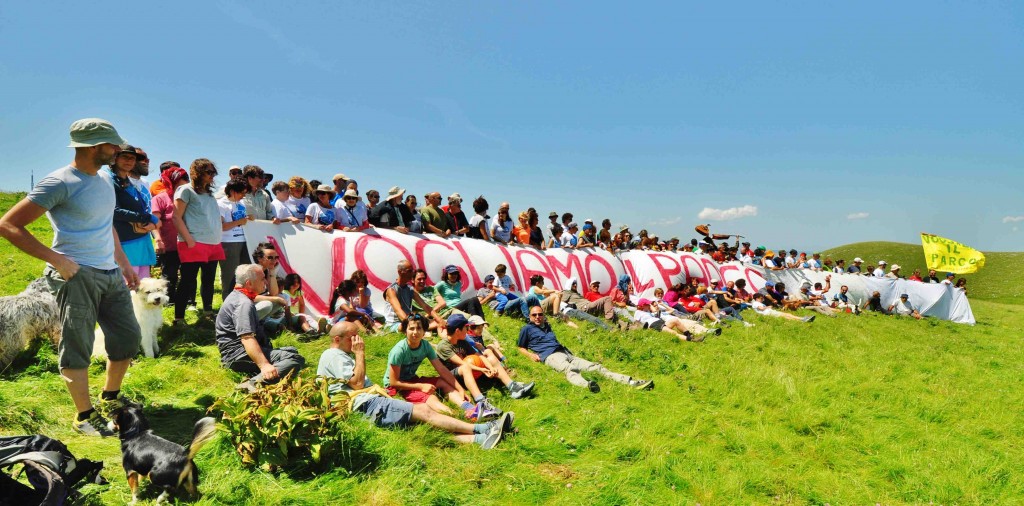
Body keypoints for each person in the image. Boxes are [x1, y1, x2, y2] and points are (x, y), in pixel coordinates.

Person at [0, 118, 142, 436]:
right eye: (112, 144)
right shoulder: (59, 182)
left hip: (109, 273)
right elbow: (8, 224)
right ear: (94, 146)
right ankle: (84, 417)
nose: (118, 150)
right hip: (76, 275)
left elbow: (107, 228)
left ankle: (110, 397)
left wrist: (125, 264)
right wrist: (57, 260)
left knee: (128, 338)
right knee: (78, 344)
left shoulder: (105, 181)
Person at [317, 321, 511, 449]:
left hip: (369, 402)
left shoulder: (341, 355)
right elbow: (358, 383)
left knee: (418, 426)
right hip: (364, 404)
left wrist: (460, 388)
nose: (359, 340)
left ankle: (479, 440)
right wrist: (360, 354)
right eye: (354, 336)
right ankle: (485, 428)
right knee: (423, 411)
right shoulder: (332, 355)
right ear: (337, 339)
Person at [383, 315, 496, 420]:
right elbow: (393, 382)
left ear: (424, 332)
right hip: (396, 386)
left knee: (442, 381)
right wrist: (421, 386)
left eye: (419, 328)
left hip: (412, 379)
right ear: (405, 331)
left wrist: (460, 389)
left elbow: (441, 369)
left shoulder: (425, 346)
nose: (415, 332)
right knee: (429, 397)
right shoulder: (399, 351)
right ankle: (459, 416)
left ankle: (470, 408)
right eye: (411, 328)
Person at [517, 308, 653, 393]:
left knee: (596, 367)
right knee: (569, 370)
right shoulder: (526, 329)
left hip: (566, 353)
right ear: (530, 316)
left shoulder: (547, 326)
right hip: (550, 356)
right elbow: (520, 347)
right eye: (534, 315)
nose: (537, 317)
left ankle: (631, 381)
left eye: (540, 314)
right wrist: (530, 355)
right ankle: (587, 385)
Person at [216, 265, 306, 393]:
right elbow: (247, 338)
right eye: (262, 279)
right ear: (249, 283)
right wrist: (264, 365)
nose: (265, 282)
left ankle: (259, 374)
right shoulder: (243, 304)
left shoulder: (239, 296)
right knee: (295, 359)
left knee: (292, 350)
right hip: (237, 356)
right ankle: (252, 383)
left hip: (237, 353)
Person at [172, 158, 226, 324]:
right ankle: (179, 318)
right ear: (197, 172)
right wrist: (189, 240)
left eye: (213, 172)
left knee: (209, 281)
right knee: (188, 281)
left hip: (213, 243)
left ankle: (208, 313)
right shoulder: (185, 190)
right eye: (208, 172)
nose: (212, 176)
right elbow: (176, 216)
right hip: (194, 242)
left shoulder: (210, 194)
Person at [436, 314, 535, 401]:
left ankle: (512, 386)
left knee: (490, 358)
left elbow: (479, 355)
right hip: (455, 377)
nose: (467, 330)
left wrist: (491, 367)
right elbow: (463, 364)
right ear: (458, 331)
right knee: (465, 367)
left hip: (472, 370)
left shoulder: (462, 341)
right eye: (465, 327)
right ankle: (480, 400)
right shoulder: (444, 346)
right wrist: (483, 369)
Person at [151, 166, 189, 306]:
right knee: (169, 275)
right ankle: (167, 300)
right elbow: (155, 221)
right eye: (181, 179)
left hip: (188, 244)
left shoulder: (190, 197)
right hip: (170, 245)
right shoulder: (160, 198)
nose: (185, 182)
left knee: (188, 275)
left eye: (186, 178)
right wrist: (158, 239)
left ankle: (189, 301)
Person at [381, 260, 446, 333]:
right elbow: (399, 311)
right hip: (395, 324)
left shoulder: (410, 289)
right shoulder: (391, 290)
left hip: (409, 320)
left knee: (441, 322)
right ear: (400, 272)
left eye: (412, 271)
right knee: (417, 326)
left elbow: (425, 306)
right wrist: (413, 324)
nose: (412, 273)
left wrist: (440, 320)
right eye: (409, 271)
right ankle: (421, 330)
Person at [218, 178, 254, 299]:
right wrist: (239, 221)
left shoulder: (241, 203)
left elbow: (243, 221)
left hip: (245, 242)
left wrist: (249, 219)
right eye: (241, 192)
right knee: (229, 276)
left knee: (246, 274)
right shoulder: (221, 204)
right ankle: (228, 303)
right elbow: (222, 226)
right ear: (233, 191)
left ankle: (245, 301)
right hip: (229, 243)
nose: (243, 196)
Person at [750, 293, 815, 323]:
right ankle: (802, 320)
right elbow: (761, 309)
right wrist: (768, 307)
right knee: (786, 316)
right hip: (769, 313)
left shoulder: (759, 303)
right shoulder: (755, 303)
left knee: (787, 315)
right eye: (761, 298)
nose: (762, 299)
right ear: (757, 298)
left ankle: (803, 319)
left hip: (770, 312)